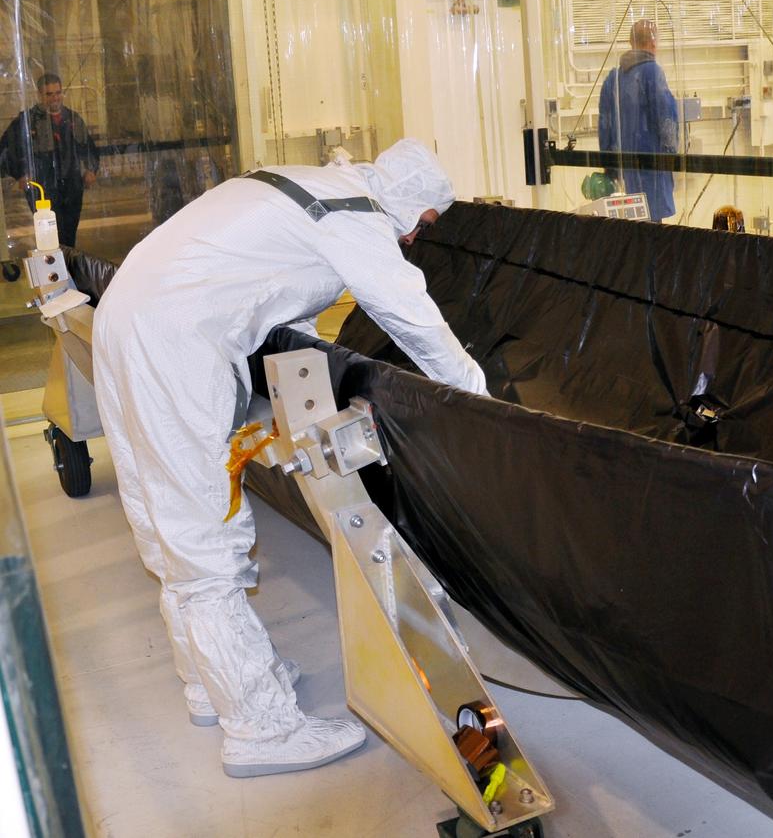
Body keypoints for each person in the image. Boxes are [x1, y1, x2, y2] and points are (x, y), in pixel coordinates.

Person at [92, 138, 487, 778]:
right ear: (412, 203)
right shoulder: (355, 215)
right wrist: (479, 401)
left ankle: (209, 681)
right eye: (425, 222)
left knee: (164, 519)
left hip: (128, 319)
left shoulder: (310, 186)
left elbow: (272, 291)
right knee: (203, 537)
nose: (417, 236)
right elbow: (414, 318)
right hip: (175, 343)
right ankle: (259, 728)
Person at [0, 73, 99, 247]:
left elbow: (88, 147)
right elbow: (7, 149)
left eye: (57, 93)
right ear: (40, 95)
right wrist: (20, 174)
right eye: (49, 94)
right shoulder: (27, 120)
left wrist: (91, 169)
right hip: (42, 188)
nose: (54, 98)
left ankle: (67, 267)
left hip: (72, 186)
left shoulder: (73, 119)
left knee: (69, 232)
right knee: (50, 235)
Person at [598, 19, 679, 222]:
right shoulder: (652, 72)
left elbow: (604, 126)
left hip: (624, 174)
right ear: (653, 44)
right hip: (650, 171)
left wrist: (610, 168)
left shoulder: (613, 78)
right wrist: (672, 154)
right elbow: (666, 118)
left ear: (630, 42)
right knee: (652, 235)